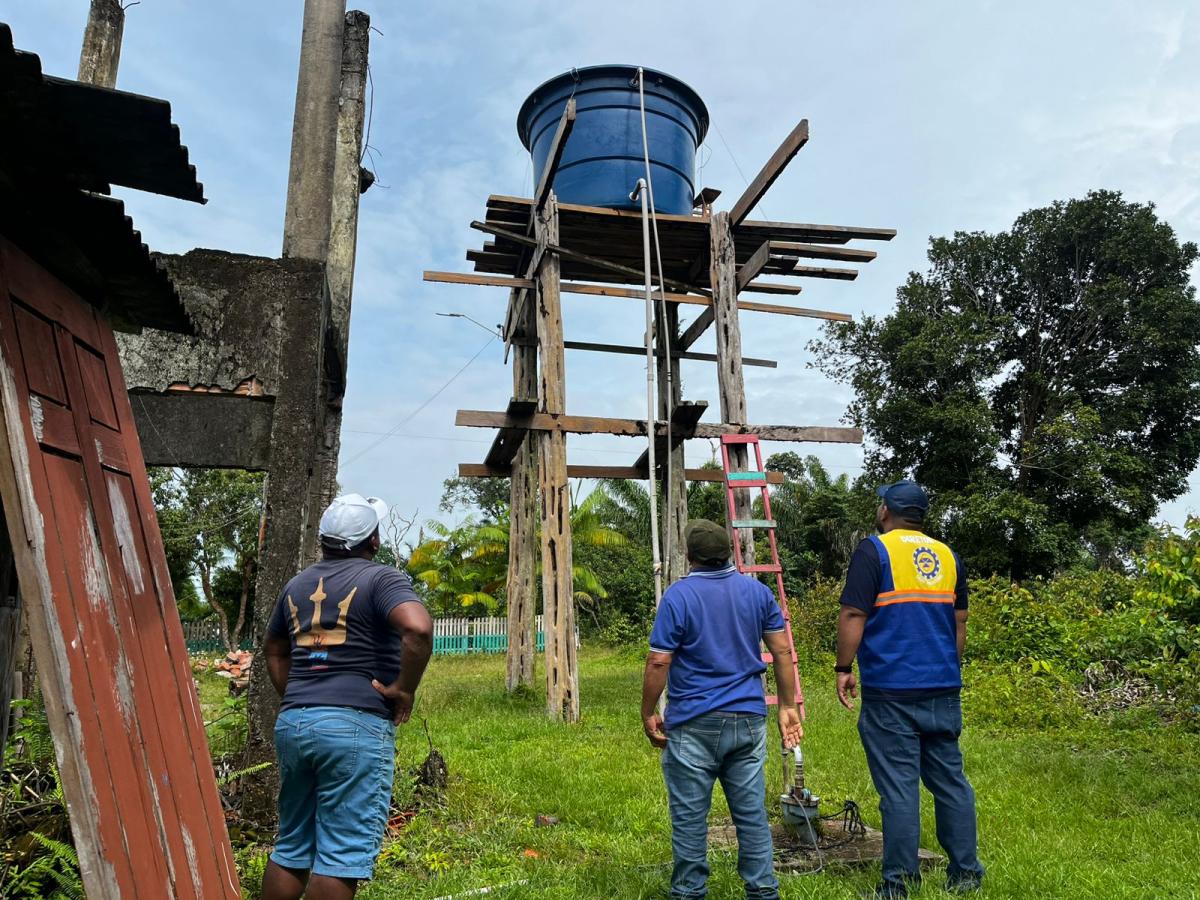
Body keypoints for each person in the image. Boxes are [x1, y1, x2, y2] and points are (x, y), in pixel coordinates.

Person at [261, 494, 434, 900]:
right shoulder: (380, 578)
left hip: (295, 723)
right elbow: (419, 629)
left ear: (324, 540)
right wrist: (403, 689)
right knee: (341, 855)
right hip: (354, 725)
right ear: (372, 540)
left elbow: (273, 649)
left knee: (291, 846)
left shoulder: (297, 584)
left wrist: (302, 697)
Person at [835, 480, 984, 898]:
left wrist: (844, 666)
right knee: (951, 782)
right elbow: (960, 623)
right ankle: (966, 875)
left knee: (899, 789)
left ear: (886, 510)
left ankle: (897, 885)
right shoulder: (947, 555)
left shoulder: (874, 550)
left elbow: (852, 613)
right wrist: (948, 669)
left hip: (891, 690)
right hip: (942, 686)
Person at [641, 518, 804, 900]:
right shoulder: (757, 591)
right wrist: (785, 706)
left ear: (689, 555)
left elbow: (659, 662)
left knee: (690, 819)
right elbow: (782, 650)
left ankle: (689, 892)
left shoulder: (678, 597)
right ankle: (763, 892)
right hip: (748, 721)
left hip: (694, 723)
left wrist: (648, 711)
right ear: (729, 552)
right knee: (751, 817)